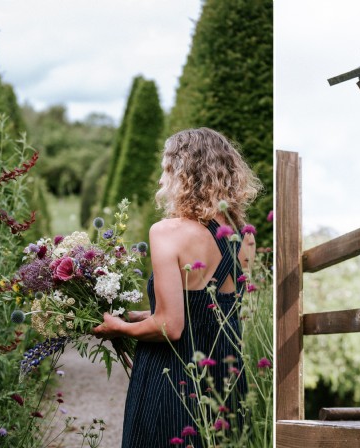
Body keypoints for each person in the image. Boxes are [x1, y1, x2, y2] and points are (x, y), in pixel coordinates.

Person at [93, 127, 261, 446]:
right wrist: (143, 314)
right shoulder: (244, 235)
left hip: (176, 377)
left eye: (166, 171)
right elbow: (214, 307)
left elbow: (170, 328)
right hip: (226, 375)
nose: (160, 182)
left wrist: (118, 328)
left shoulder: (167, 232)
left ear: (184, 174)